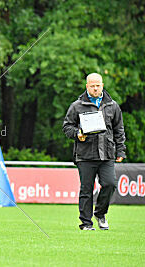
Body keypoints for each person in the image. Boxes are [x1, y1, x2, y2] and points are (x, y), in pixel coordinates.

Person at [62, 73, 126, 231]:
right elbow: (67, 127)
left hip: (107, 154)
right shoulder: (77, 106)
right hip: (85, 155)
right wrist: (77, 133)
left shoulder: (113, 105)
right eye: (92, 85)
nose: (95, 88)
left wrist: (121, 151)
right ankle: (86, 223)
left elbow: (119, 130)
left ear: (102, 85)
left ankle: (100, 213)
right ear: (87, 87)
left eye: (98, 85)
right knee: (86, 189)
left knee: (110, 184)